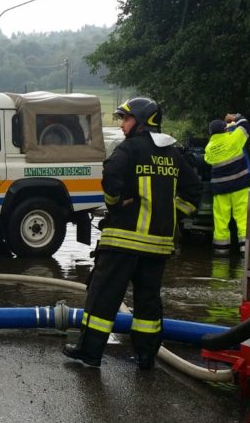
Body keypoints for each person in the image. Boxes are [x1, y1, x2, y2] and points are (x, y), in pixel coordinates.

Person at [63, 98, 201, 370]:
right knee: (148, 303)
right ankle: (146, 356)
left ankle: (90, 352)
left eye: (126, 119)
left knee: (104, 296)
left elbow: (110, 177)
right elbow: (194, 190)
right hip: (158, 246)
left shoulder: (130, 148)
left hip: (123, 241)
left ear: (141, 120)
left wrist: (116, 205)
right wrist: (171, 214)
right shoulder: (172, 153)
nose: (122, 124)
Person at [204, 113, 250, 254]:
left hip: (220, 190)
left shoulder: (209, 148)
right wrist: (235, 117)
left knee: (220, 221)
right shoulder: (234, 139)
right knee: (243, 219)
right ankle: (246, 253)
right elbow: (245, 125)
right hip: (240, 187)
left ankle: (221, 254)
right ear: (225, 130)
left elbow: (207, 160)